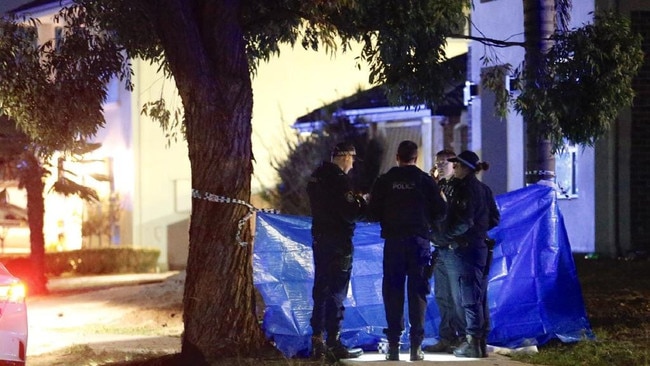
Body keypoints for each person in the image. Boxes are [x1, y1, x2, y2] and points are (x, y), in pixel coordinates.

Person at [367, 140, 447, 361]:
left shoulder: (385, 181)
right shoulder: (425, 181)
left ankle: (393, 347)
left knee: (393, 291)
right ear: (416, 157)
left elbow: (372, 213)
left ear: (397, 157)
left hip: (394, 243)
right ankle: (415, 348)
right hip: (419, 242)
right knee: (418, 293)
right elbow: (441, 211)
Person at [430, 150, 500, 358]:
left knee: (467, 298)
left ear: (466, 168)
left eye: (456, 165)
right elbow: (494, 219)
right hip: (453, 250)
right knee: (450, 296)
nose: (453, 168)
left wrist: (447, 237)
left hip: (462, 250)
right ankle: (454, 338)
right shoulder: (466, 187)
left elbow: (464, 221)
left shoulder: (469, 189)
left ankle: (472, 342)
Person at [306, 141, 366, 361]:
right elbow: (350, 213)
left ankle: (317, 341)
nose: (352, 165)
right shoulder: (341, 181)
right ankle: (333, 341)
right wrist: (362, 204)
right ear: (346, 157)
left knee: (320, 289)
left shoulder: (316, 176)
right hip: (339, 241)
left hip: (320, 238)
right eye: (352, 160)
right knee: (336, 292)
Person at [424, 149, 468, 354]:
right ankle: (446, 337)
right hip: (439, 249)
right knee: (442, 296)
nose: (440, 166)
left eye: (444, 162)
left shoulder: (460, 188)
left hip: (454, 248)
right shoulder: (437, 186)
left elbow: (464, 219)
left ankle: (462, 337)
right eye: (437, 163)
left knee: (457, 297)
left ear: (455, 164)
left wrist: (449, 238)